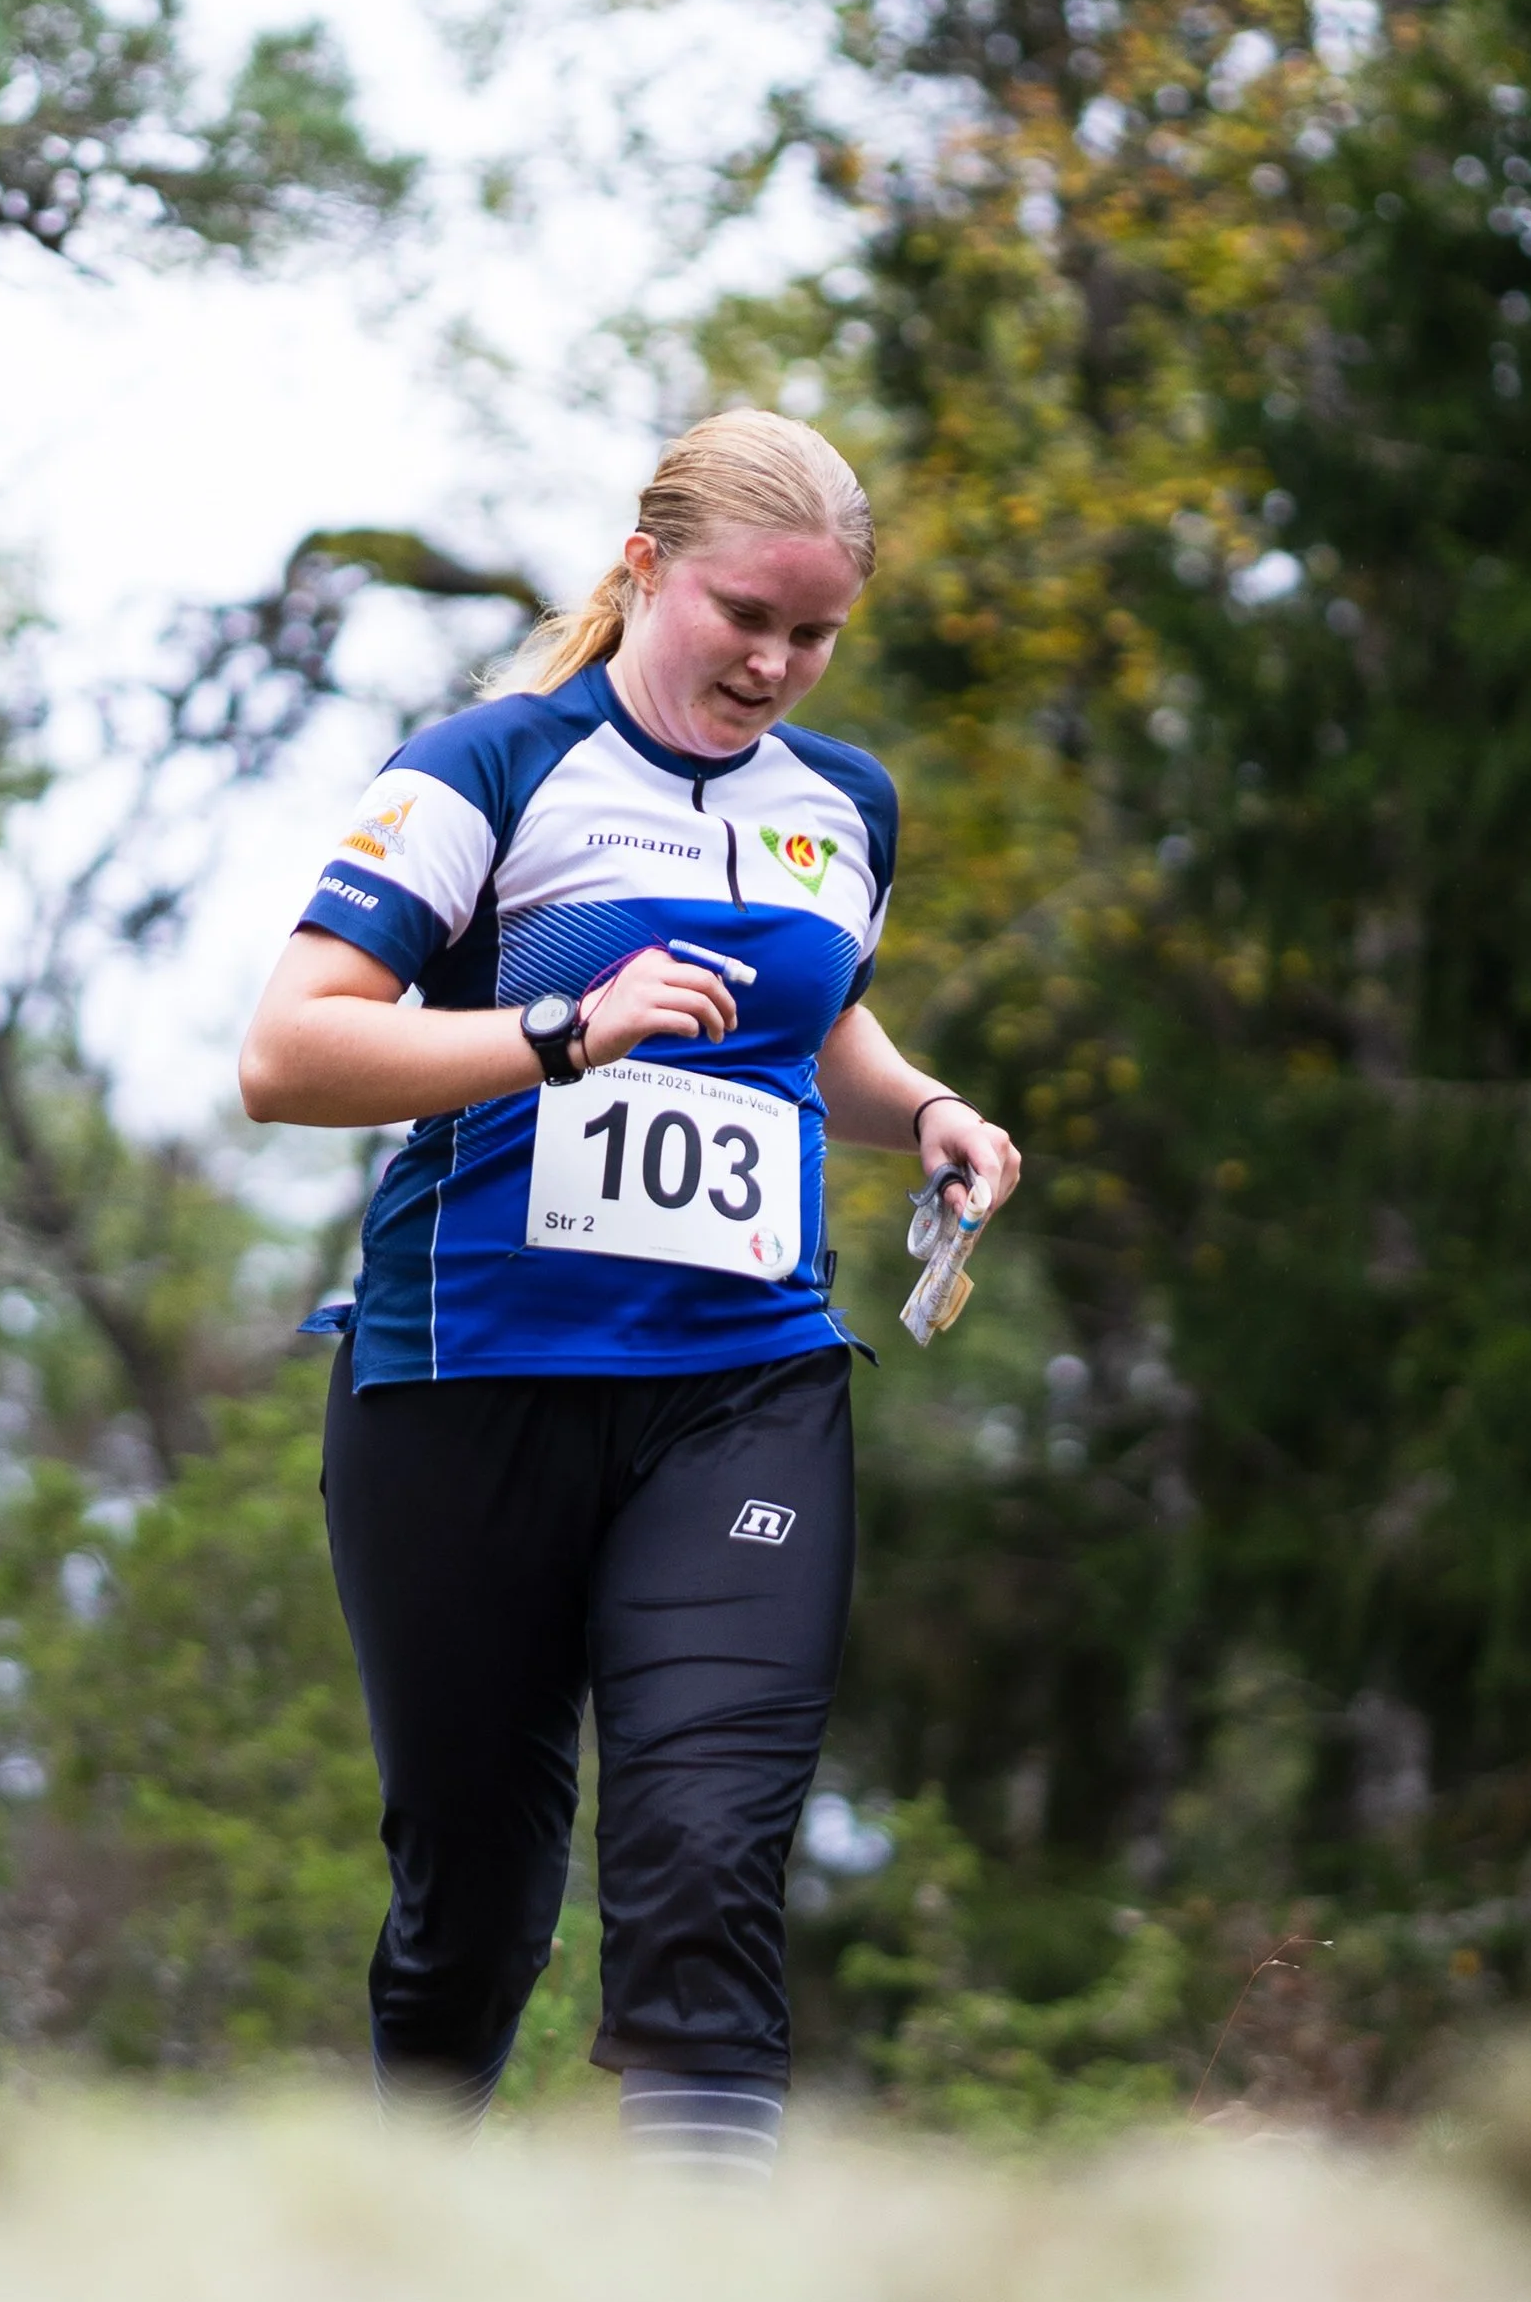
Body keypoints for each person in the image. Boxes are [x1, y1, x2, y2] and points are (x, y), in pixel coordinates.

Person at [239, 408, 1021, 2177]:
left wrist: (933, 1115)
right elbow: (288, 1056)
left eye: (816, 634)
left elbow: (813, 1025)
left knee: (706, 1863)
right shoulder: (490, 771)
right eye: (748, 614)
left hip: (742, 1387)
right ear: (647, 566)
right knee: (478, 1904)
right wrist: (552, 1032)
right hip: (468, 1384)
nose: (776, 662)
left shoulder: (846, 806)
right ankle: (400, 2264)